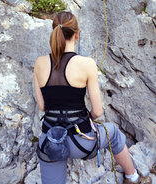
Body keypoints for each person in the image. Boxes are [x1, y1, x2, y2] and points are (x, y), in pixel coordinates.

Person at [34, 11, 152, 184]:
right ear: (77, 34)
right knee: (113, 133)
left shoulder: (39, 63)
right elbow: (97, 111)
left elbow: (43, 107)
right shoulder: (86, 64)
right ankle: (132, 177)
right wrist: (86, 118)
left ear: (54, 32)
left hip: (51, 140)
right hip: (81, 143)